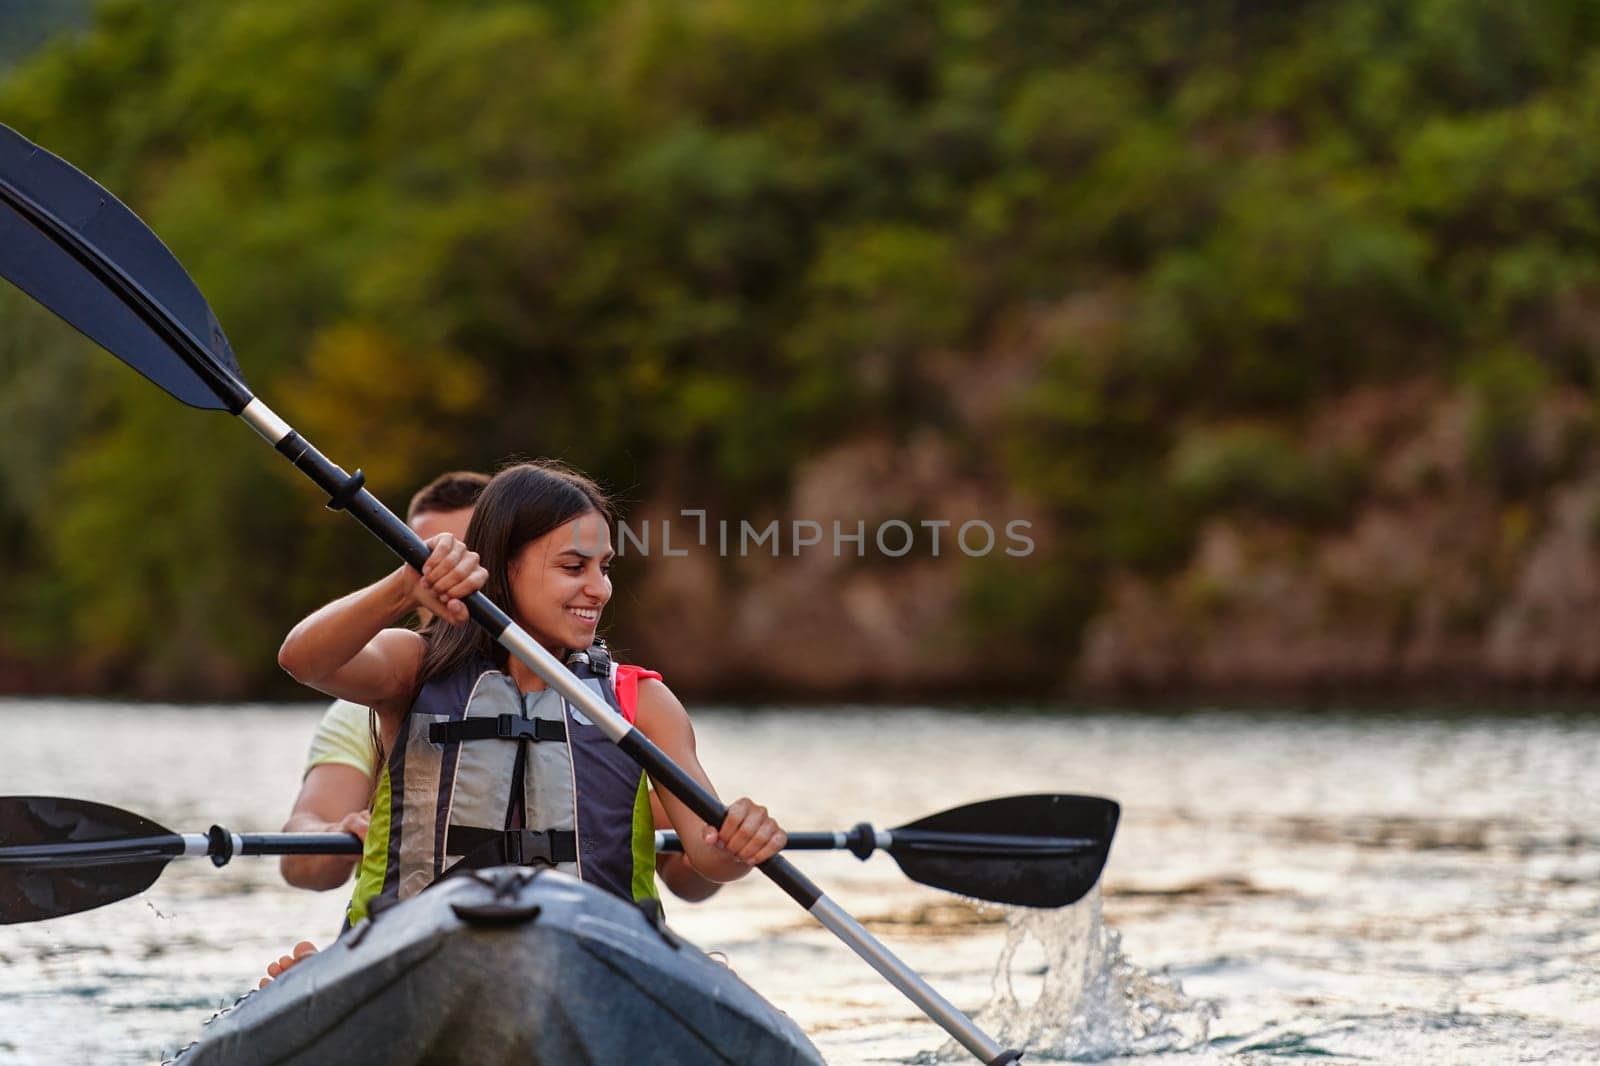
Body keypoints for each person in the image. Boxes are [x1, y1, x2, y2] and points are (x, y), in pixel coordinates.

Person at [275, 460, 781, 929]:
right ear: (502, 566)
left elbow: (708, 856)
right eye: (573, 567)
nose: (600, 589)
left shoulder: (640, 699)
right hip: (420, 943)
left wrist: (738, 844)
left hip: (590, 948)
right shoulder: (413, 668)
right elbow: (302, 659)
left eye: (603, 567)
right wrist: (405, 587)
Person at [279, 471, 488, 891]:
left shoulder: (587, 694)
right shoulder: (368, 700)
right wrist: (339, 830)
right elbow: (299, 863)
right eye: (425, 557)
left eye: (463, 558)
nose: (443, 576)